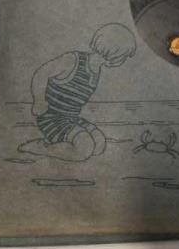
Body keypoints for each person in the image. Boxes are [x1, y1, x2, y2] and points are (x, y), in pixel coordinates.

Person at [18, 23, 136, 161]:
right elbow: (41, 74)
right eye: (123, 57)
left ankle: (59, 143)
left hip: (71, 118)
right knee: (84, 149)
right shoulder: (73, 60)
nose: (123, 60)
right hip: (51, 117)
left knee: (99, 144)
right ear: (114, 53)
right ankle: (42, 148)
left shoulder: (96, 72)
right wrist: (39, 101)